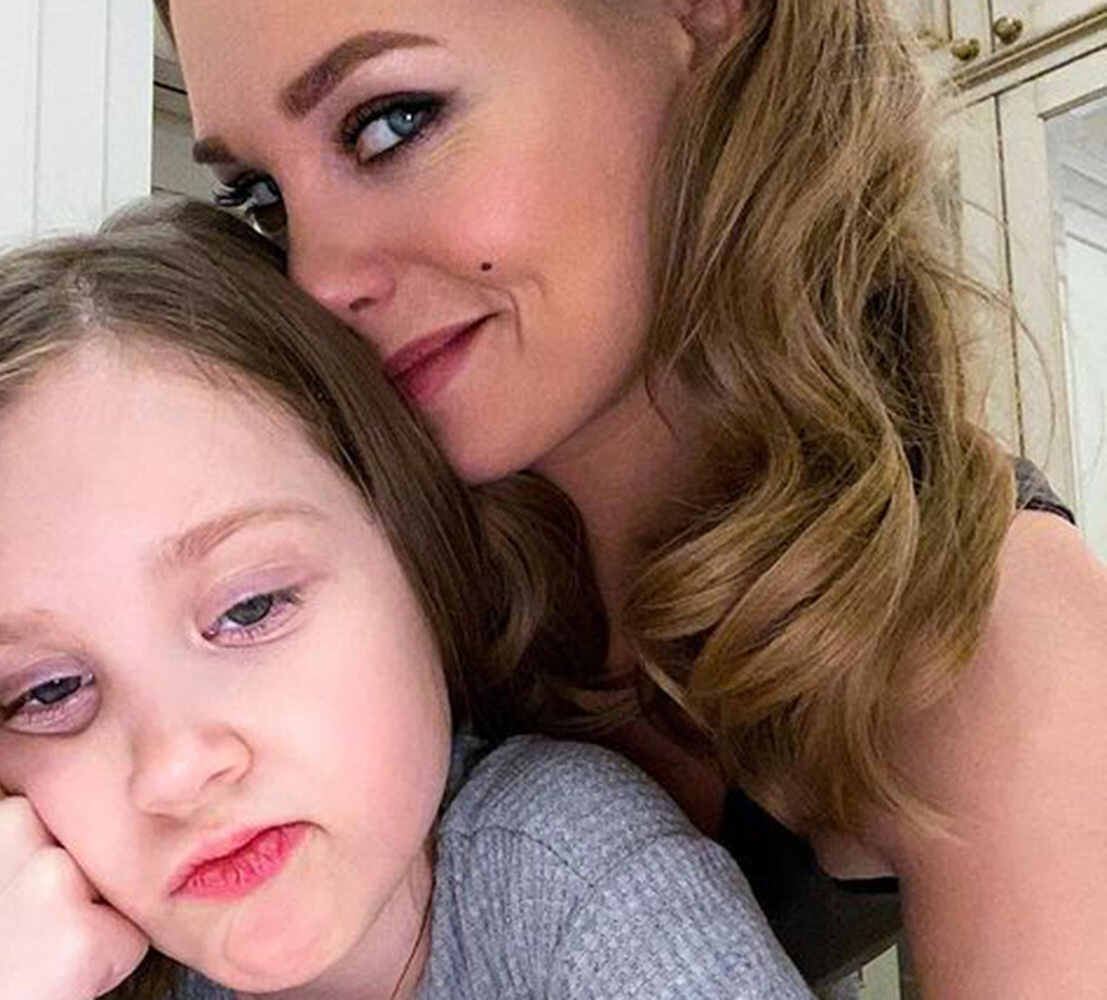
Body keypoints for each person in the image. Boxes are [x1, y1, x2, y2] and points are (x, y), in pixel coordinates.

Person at [0, 199, 813, 1000]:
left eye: (249, 610)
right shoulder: (29, 944)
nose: (177, 768)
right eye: (51, 690)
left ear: (413, 550)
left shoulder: (571, 883)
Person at [143, 0, 1106, 996]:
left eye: (393, 122)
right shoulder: (322, 561)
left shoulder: (991, 634)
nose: (317, 281)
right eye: (262, 197)